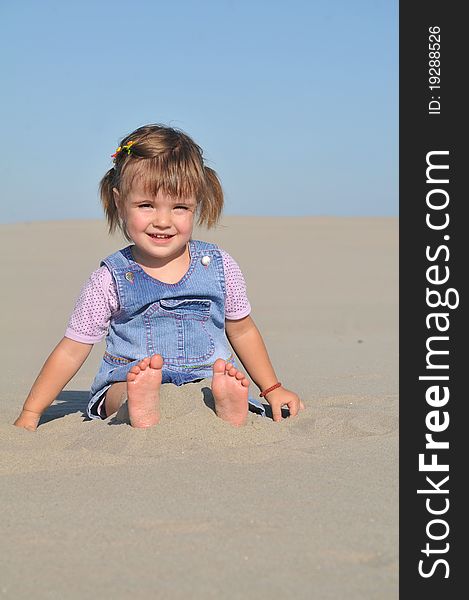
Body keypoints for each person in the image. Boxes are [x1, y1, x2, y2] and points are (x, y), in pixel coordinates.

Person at [14, 124, 303, 431]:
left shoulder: (219, 267)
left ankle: (228, 406)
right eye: (146, 205)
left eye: (180, 207)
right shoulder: (110, 278)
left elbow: (242, 331)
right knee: (120, 393)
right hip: (127, 378)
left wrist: (272, 388)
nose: (163, 221)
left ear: (197, 206)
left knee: (220, 383)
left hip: (205, 379)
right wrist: (32, 412)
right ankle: (139, 403)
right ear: (119, 202)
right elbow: (73, 348)